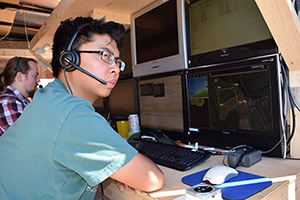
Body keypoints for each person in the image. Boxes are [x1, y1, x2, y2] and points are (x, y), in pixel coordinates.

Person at [0, 17, 164, 199]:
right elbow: (152, 179)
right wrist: (123, 170)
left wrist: (111, 170)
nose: (116, 69)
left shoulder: (48, 98)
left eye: (117, 61)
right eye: (106, 56)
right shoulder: (73, 114)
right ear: (69, 59)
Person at [0, 57, 40, 136]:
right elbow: (26, 139)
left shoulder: (18, 102)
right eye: (34, 76)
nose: (38, 80)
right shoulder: (8, 103)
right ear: (20, 77)